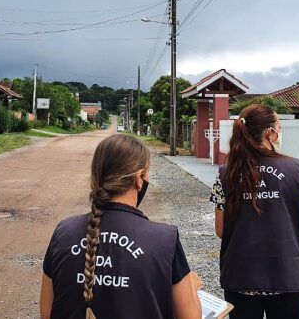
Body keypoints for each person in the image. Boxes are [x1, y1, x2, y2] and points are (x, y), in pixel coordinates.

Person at [40, 134, 202, 319]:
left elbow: (47, 313)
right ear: (139, 179)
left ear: (97, 176)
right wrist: (192, 289)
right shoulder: (165, 239)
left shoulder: (64, 232)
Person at [209, 104, 299, 319]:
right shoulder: (295, 169)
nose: (280, 131)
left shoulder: (227, 173)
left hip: (241, 276)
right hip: (286, 276)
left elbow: (221, 230)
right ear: (270, 133)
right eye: (279, 126)